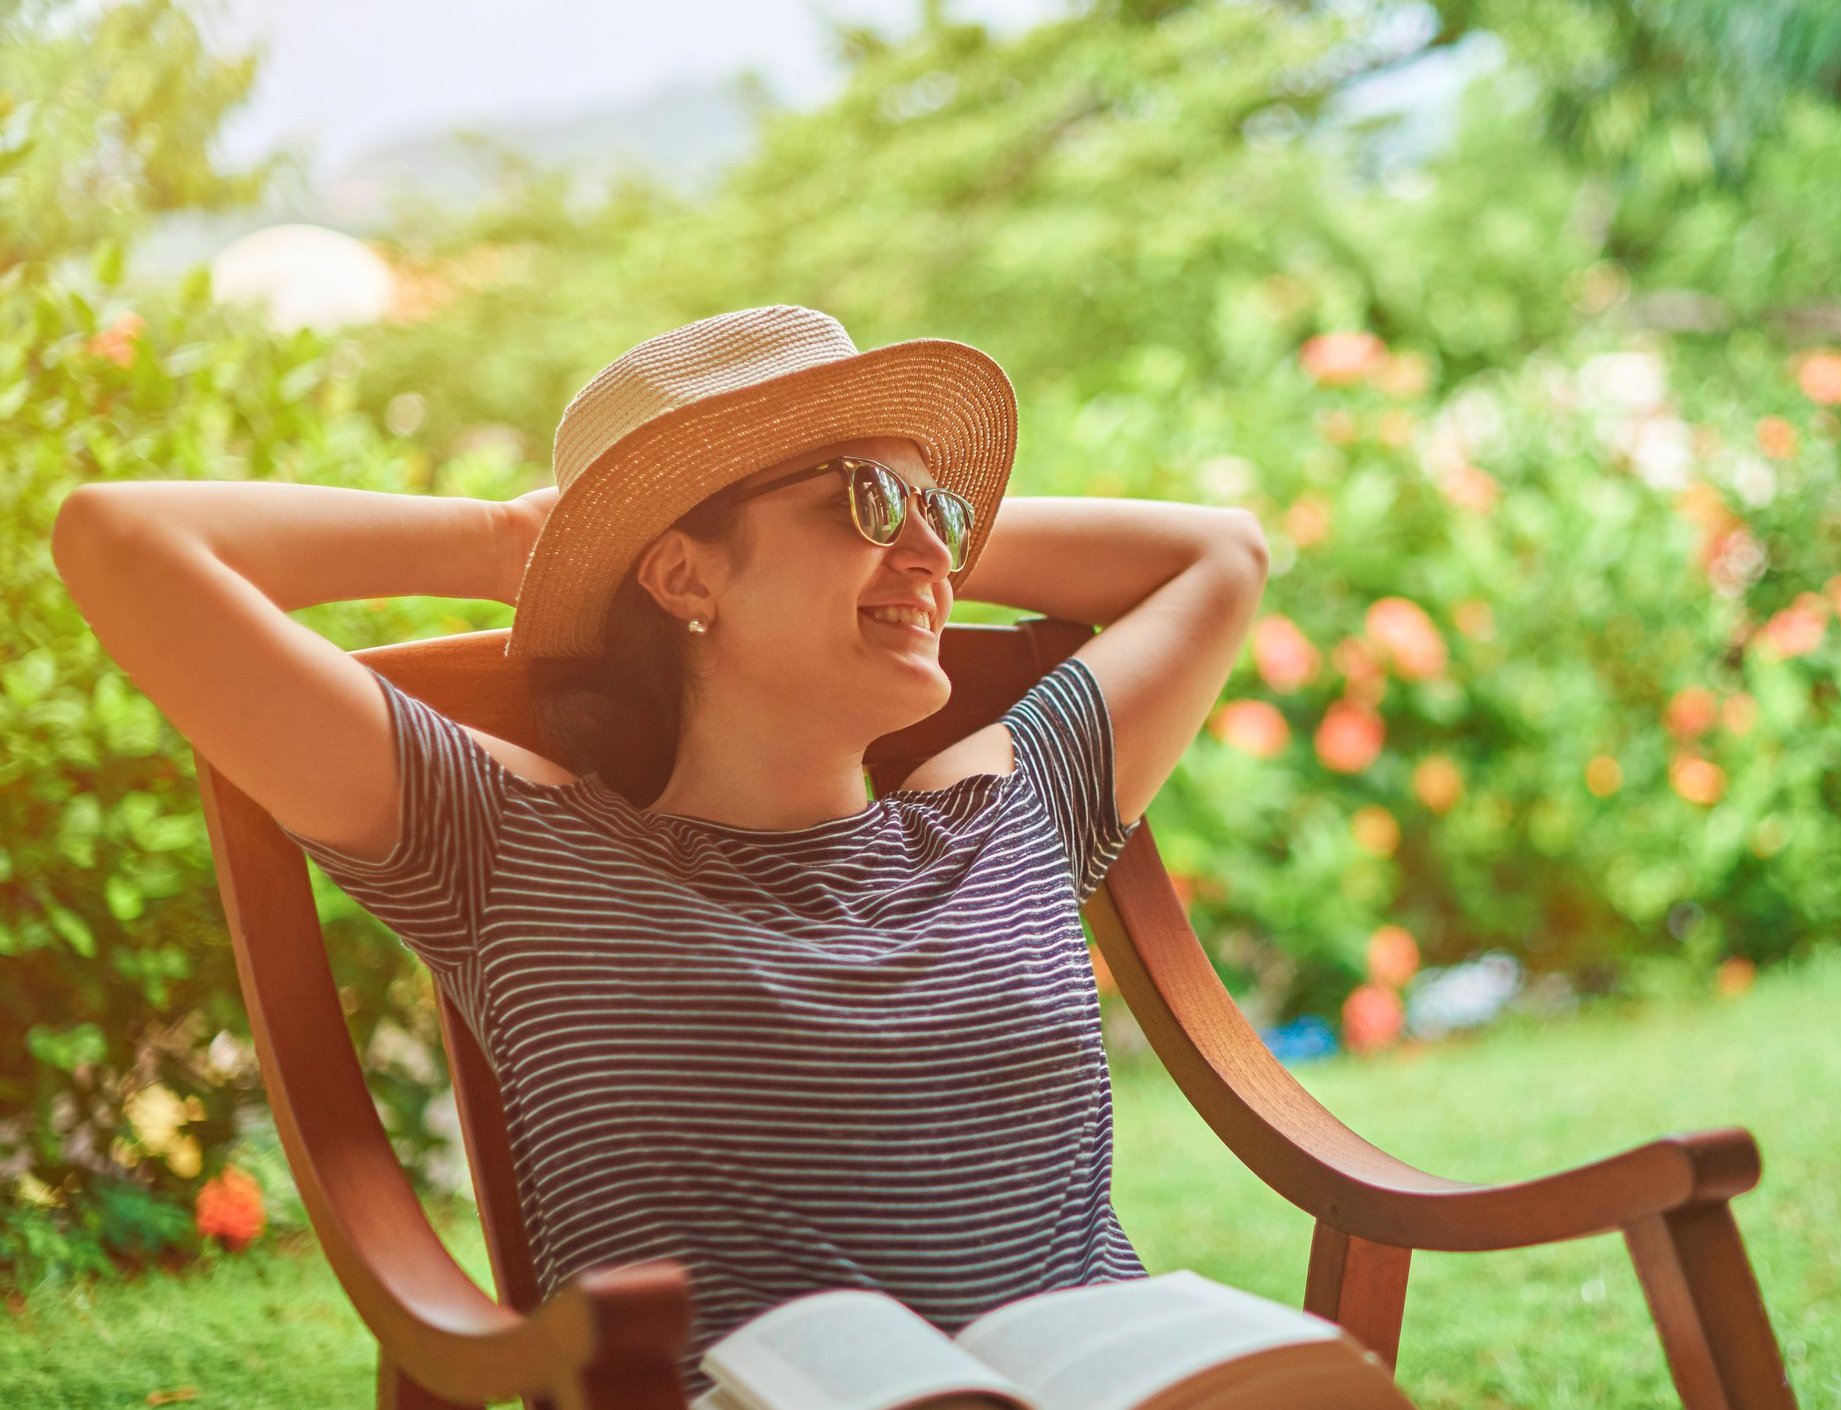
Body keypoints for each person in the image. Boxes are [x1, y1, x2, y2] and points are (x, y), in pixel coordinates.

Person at [48, 305, 1271, 1402]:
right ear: (684, 572)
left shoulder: (1005, 807)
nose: (940, 559)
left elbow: (1219, 553)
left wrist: (892, 539)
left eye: (944, 519)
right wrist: (514, 538)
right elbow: (120, 539)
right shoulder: (511, 846)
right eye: (864, 501)